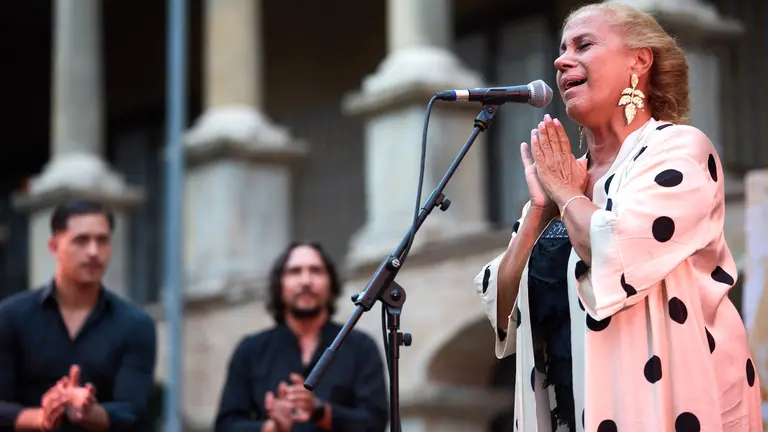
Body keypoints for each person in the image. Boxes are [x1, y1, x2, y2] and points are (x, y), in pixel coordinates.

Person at [474, 3, 763, 431]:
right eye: (561, 48)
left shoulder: (679, 149)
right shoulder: (565, 179)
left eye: (583, 45)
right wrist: (538, 212)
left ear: (639, 61)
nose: (561, 60)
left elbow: (619, 252)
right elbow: (503, 309)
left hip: (663, 408)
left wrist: (566, 195)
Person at [0, 199, 158, 431]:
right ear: (54, 246)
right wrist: (42, 418)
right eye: (81, 240)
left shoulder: (135, 324)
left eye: (102, 240)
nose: (93, 252)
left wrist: (89, 412)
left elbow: (133, 410)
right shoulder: (10, 317)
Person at [214, 241, 388, 432]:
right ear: (279, 284)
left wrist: (320, 411)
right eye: (295, 271)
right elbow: (226, 425)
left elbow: (375, 422)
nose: (306, 281)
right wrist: (272, 427)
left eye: (316, 271)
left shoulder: (361, 347)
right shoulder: (250, 351)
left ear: (331, 283)